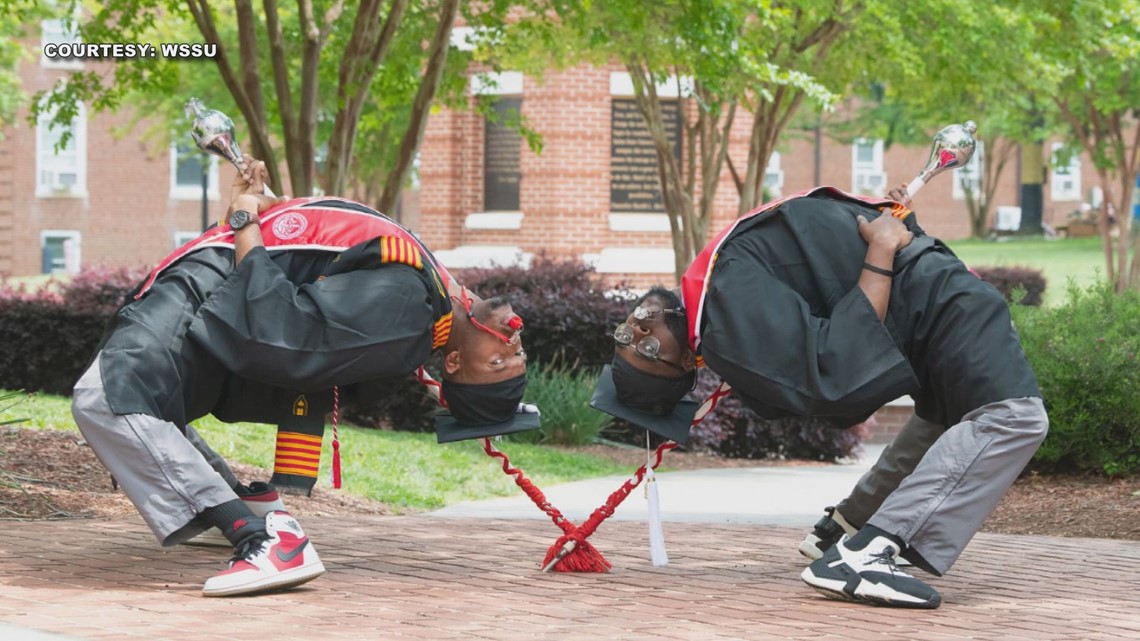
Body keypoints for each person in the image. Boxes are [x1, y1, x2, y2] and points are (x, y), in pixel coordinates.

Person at [71, 156, 537, 597]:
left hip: (206, 289)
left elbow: (284, 327)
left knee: (107, 398)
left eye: (499, 363)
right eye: (518, 354)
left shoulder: (409, 312)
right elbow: (315, 258)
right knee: (132, 397)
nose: (512, 344)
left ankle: (266, 539)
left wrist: (245, 219)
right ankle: (242, 506)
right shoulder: (430, 292)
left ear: (453, 365)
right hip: (204, 282)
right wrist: (272, 207)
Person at [590, 185, 1047, 609]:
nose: (639, 329)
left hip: (934, 300)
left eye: (624, 333)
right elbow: (840, 366)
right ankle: (868, 551)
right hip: (940, 305)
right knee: (1014, 419)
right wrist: (881, 247)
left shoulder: (715, 293)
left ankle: (846, 527)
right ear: (687, 365)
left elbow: (820, 279)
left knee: (948, 416)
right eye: (646, 350)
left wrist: (868, 215)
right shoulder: (724, 312)